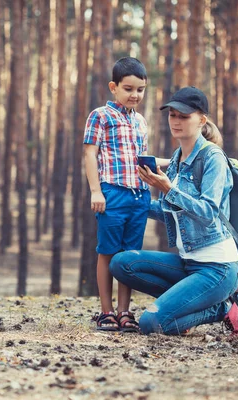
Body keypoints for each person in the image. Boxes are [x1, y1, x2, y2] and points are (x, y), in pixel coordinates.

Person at [109, 86, 238, 336]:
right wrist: (130, 204)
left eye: (184, 116)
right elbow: (168, 210)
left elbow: (208, 211)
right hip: (188, 264)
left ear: (202, 120)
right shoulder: (178, 157)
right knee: (122, 263)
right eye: (172, 115)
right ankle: (183, 305)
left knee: (151, 324)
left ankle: (224, 308)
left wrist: (168, 188)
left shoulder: (213, 159)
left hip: (217, 268)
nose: (176, 121)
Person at [83, 57, 151, 332]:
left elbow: (141, 159)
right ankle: (106, 311)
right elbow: (90, 153)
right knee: (108, 252)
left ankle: (124, 311)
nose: (134, 95)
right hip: (112, 193)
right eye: (128, 88)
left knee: (129, 255)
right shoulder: (100, 115)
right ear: (114, 87)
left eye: (140, 89)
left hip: (139, 195)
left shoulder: (142, 122)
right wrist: (96, 191)